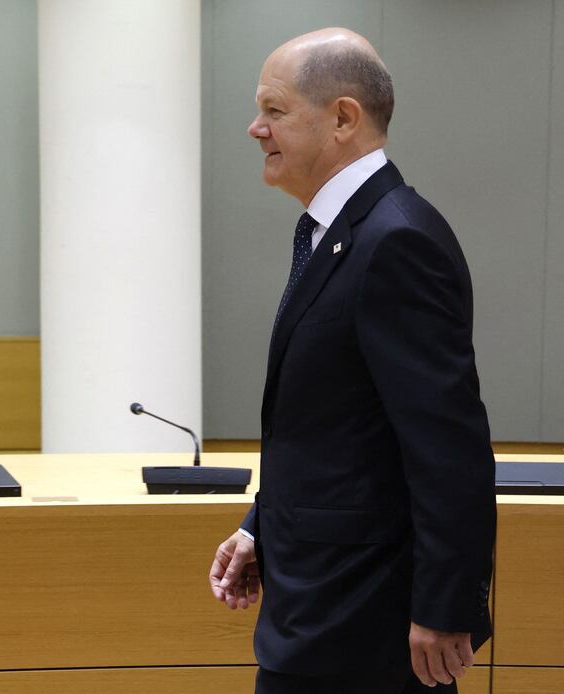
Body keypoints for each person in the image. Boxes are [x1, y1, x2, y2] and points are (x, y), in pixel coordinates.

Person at [208, 28, 496, 694]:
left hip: (367, 629)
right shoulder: (329, 232)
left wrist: (446, 608)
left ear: (343, 118)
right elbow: (335, 430)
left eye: (274, 110)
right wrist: (260, 527)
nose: (255, 128)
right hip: (316, 610)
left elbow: (447, 446)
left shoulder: (397, 241)